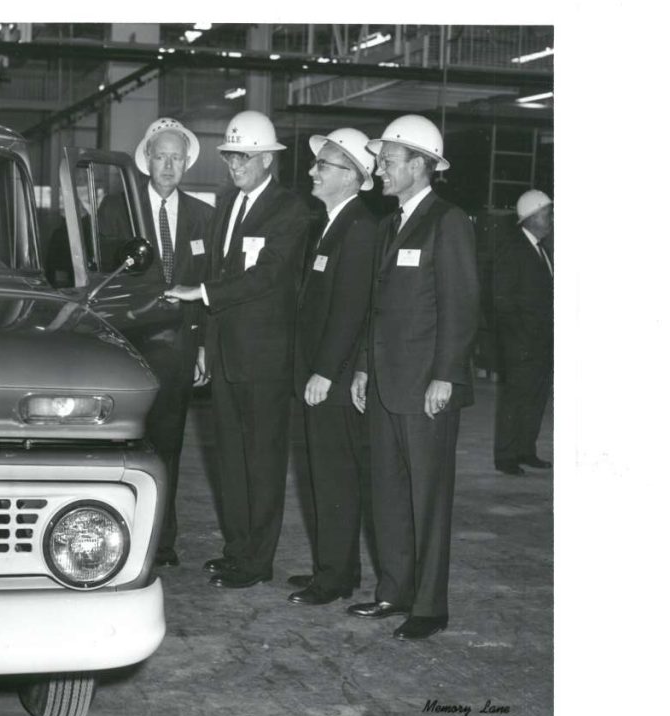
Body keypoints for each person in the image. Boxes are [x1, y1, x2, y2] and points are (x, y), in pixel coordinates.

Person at [165, 110, 308, 588]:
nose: (233, 164)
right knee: (230, 458)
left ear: (267, 158)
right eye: (229, 156)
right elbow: (218, 271)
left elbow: (267, 275)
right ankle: (236, 549)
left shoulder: (291, 210)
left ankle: (257, 561)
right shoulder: (226, 204)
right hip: (225, 353)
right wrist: (207, 342)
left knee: (262, 462)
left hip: (264, 359)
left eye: (243, 157)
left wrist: (202, 296)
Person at [348, 115, 479, 640]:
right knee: (388, 494)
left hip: (426, 386)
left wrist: (445, 376)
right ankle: (392, 591)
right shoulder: (390, 224)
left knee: (427, 498)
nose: (379, 168)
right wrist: (362, 365)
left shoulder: (447, 222)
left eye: (388, 160)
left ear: (420, 166)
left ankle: (429, 605)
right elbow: (376, 308)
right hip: (384, 384)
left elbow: (462, 305)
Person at [97, 118, 214, 566]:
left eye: (176, 158)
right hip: (131, 344)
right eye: (161, 156)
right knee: (124, 445)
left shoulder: (205, 216)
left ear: (187, 163)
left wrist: (203, 346)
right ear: (147, 159)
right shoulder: (116, 210)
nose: (168, 165)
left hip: (180, 347)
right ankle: (118, 536)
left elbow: (208, 286)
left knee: (169, 445)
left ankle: (162, 542)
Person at [287, 128, 378, 607]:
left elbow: (351, 309)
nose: (312, 171)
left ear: (352, 177)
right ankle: (332, 567)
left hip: (333, 379)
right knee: (321, 474)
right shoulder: (327, 224)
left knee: (335, 476)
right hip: (318, 372)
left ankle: (336, 578)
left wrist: (325, 371)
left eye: (323, 165)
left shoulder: (359, 228)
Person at [490, 189, 554, 476]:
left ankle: (526, 450)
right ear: (531, 217)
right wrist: (518, 339)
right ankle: (505, 455)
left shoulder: (542, 249)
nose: (552, 219)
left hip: (543, 342)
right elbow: (501, 300)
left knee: (536, 397)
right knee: (516, 399)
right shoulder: (512, 248)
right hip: (521, 343)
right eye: (548, 213)